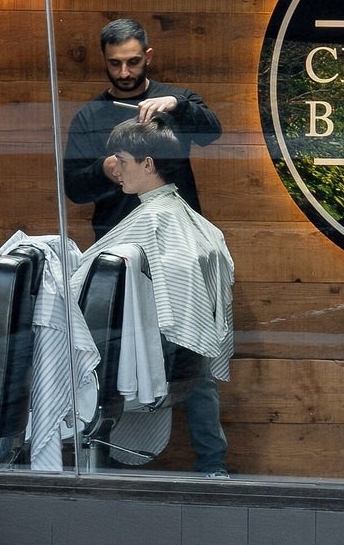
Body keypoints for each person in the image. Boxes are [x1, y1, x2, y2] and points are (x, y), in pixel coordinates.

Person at [84, 120, 238, 478]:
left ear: (148, 164)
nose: (115, 169)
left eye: (121, 160)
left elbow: (85, 281)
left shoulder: (156, 220)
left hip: (162, 354)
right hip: (188, 360)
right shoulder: (185, 219)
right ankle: (213, 464)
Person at [63, 16, 223, 238]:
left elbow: (212, 133)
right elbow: (74, 189)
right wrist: (106, 169)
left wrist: (177, 105)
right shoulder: (88, 117)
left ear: (148, 57)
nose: (124, 73)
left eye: (133, 62)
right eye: (115, 63)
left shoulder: (179, 100)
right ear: (104, 59)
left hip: (177, 234)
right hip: (118, 235)